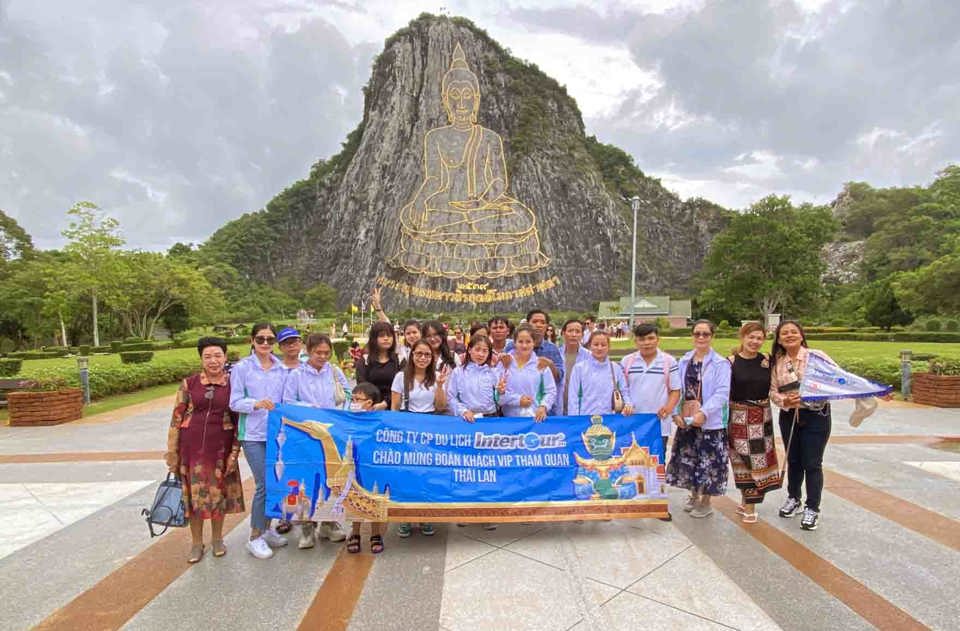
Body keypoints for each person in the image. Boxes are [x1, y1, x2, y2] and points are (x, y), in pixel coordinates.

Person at [388, 43, 549, 278]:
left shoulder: (490, 137)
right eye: (454, 95)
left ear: (476, 98)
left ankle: (469, 240)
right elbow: (435, 178)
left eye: (467, 95)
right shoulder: (436, 137)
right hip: (447, 207)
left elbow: (499, 181)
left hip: (484, 207)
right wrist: (420, 201)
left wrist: (481, 202)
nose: (461, 103)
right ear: (445, 99)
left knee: (519, 219)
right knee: (419, 219)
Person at [166, 337, 245, 563]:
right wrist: (172, 452)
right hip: (191, 451)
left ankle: (218, 539)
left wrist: (234, 453)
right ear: (201, 359)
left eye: (218, 355)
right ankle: (197, 543)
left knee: (217, 495)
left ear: (225, 357)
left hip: (220, 450)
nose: (213, 361)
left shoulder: (234, 385)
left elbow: (240, 423)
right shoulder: (189, 384)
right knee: (194, 498)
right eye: (208, 356)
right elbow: (176, 418)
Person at [282, 333, 351, 548]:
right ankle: (307, 528)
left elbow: (348, 395)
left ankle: (329, 525)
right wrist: (310, 410)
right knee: (306, 481)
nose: (322, 356)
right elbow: (287, 401)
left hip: (331, 433)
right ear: (308, 351)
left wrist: (340, 415)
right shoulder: (297, 375)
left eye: (326, 353)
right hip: (305, 435)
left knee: (330, 479)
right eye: (317, 353)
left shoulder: (334, 371)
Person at [229, 323, 289, 559]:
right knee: (264, 483)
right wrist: (255, 403)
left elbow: (286, 400)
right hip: (253, 434)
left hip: (276, 434)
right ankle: (254, 536)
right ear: (252, 340)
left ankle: (266, 528)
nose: (265, 344)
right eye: (261, 339)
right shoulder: (242, 368)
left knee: (275, 481)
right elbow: (234, 402)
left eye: (270, 340)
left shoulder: (281, 369)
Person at [769, 320, 835, 531]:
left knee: (812, 463)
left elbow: (837, 380)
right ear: (779, 339)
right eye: (784, 333)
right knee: (794, 460)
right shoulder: (778, 362)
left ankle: (812, 507)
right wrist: (784, 401)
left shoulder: (817, 357)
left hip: (816, 415)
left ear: (801, 335)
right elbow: (772, 391)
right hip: (790, 416)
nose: (789, 335)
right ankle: (793, 497)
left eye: (793, 332)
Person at [666, 320, 731, 519]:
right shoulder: (685, 361)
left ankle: (706, 502)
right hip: (687, 420)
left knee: (709, 462)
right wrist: (675, 413)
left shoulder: (720, 363)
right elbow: (676, 389)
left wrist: (704, 412)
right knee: (690, 459)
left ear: (712, 337)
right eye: (697, 334)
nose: (701, 338)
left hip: (709, 422)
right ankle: (694, 495)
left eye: (705, 334)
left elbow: (722, 392)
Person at [391, 339, 448, 537]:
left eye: (427, 355)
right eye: (419, 354)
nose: (423, 358)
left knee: (428, 475)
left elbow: (441, 407)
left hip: (431, 427)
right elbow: (395, 408)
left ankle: (426, 516)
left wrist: (440, 386)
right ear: (411, 355)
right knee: (407, 474)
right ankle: (406, 517)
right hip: (408, 428)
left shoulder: (438, 377)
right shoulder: (401, 377)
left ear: (432, 358)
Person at [728, 322, 781, 523]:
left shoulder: (767, 360)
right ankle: (748, 502)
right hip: (738, 418)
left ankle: (749, 503)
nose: (755, 342)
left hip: (762, 417)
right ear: (743, 337)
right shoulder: (730, 362)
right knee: (741, 460)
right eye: (751, 337)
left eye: (759, 338)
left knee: (759, 461)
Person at [621, 323, 681, 459]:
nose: (646, 343)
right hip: (632, 422)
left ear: (657, 339)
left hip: (658, 423)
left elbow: (675, 390)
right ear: (635, 341)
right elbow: (621, 390)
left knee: (656, 464)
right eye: (641, 339)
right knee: (632, 466)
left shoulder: (668, 361)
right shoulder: (627, 361)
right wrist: (626, 405)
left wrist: (668, 408)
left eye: (650, 338)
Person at [345, 382, 387, 554]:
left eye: (358, 399)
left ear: (369, 403)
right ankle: (355, 532)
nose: (354, 402)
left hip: (373, 464)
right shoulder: (348, 417)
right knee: (355, 497)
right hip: (354, 464)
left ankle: (375, 534)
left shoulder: (379, 419)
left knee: (373, 498)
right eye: (352, 398)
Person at [274, 327, 303, 534]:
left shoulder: (310, 366)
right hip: (283, 428)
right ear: (280, 346)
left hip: (307, 428)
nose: (291, 345)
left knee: (308, 473)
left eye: (295, 341)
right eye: (287, 343)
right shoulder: (275, 369)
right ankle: (286, 515)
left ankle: (310, 514)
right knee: (285, 473)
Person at [565, 330, 634, 416]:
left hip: (609, 419)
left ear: (609, 347)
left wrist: (628, 404)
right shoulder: (579, 368)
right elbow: (573, 397)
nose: (599, 348)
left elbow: (624, 391)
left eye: (603, 345)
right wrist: (575, 420)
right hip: (585, 418)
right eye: (596, 344)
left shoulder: (616, 368)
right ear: (590, 346)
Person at [499, 324, 557, 421]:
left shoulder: (541, 365)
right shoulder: (505, 363)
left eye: (528, 341)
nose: (524, 345)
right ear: (514, 343)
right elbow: (498, 395)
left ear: (534, 343)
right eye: (520, 341)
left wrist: (543, 406)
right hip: (509, 421)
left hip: (534, 420)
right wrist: (518, 400)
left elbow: (551, 391)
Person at [355, 321, 400, 410]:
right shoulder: (364, 361)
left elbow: (402, 387)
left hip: (394, 409)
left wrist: (385, 403)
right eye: (382, 336)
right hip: (370, 408)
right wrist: (374, 403)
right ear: (374, 338)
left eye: (389, 335)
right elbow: (362, 387)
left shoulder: (400, 360)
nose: (386, 338)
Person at [558, 319, 591, 415]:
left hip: (582, 408)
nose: (574, 335)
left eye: (577, 331)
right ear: (563, 334)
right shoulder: (556, 354)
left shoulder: (589, 356)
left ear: (582, 335)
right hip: (559, 408)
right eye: (570, 331)